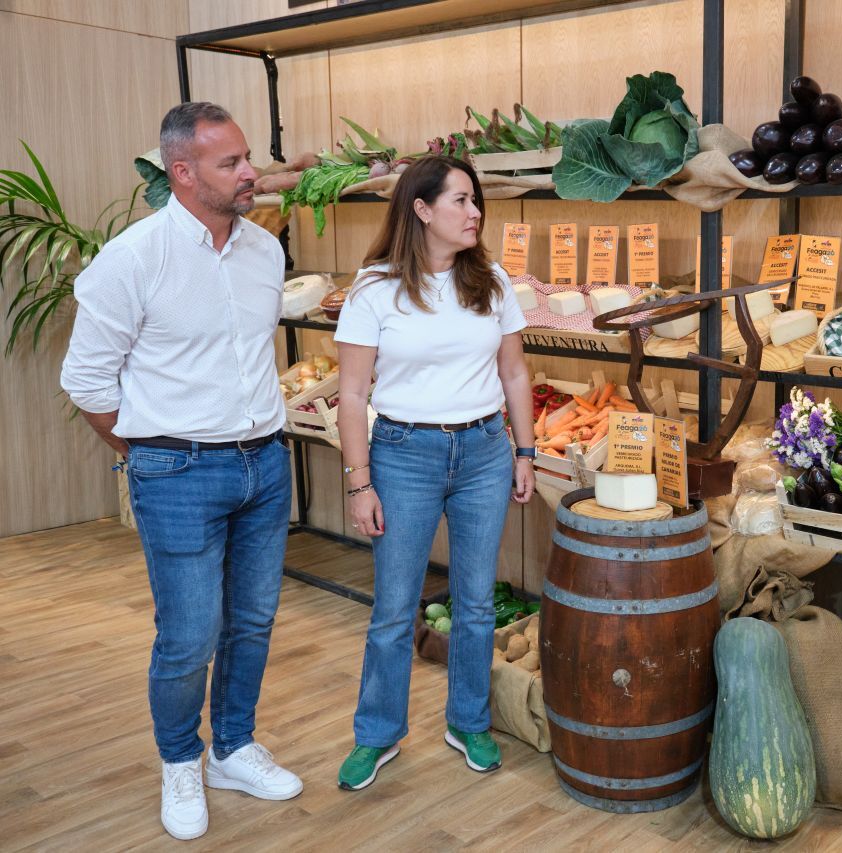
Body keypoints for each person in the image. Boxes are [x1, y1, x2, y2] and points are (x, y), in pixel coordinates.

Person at [60, 102, 302, 841]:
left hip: (265, 462)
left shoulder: (265, 253)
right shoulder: (132, 259)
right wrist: (148, 457)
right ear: (184, 172)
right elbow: (88, 382)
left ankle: (232, 746)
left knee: (254, 621)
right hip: (176, 469)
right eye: (231, 163)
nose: (250, 172)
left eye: (247, 157)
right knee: (189, 635)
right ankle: (179, 761)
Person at [332, 155, 535, 790]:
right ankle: (377, 734)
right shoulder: (374, 289)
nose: (475, 213)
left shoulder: (492, 282)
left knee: (475, 605)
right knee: (395, 608)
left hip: (482, 453)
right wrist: (359, 480)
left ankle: (468, 720)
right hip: (402, 455)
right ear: (421, 210)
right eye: (460, 201)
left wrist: (524, 451)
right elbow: (353, 395)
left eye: (477, 202)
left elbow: (514, 374)